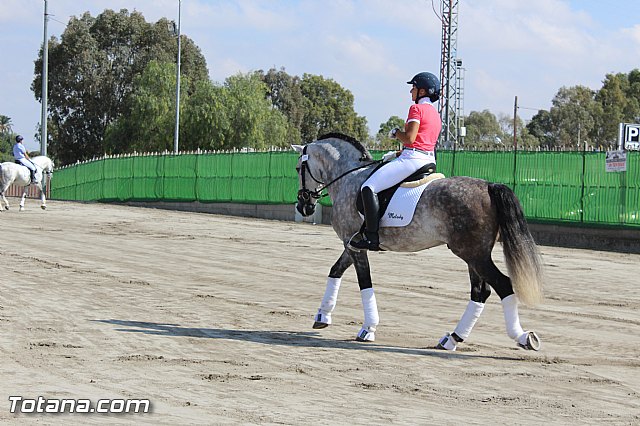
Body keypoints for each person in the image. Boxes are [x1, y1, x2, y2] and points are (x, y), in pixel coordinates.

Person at [349, 72, 442, 251]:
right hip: (427, 159)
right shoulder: (435, 114)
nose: (411, 91)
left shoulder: (416, 109)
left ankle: (371, 237)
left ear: (422, 91)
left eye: (413, 88)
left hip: (413, 159)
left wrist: (395, 133)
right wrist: (400, 153)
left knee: (368, 188)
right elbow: (420, 141)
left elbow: (409, 137)